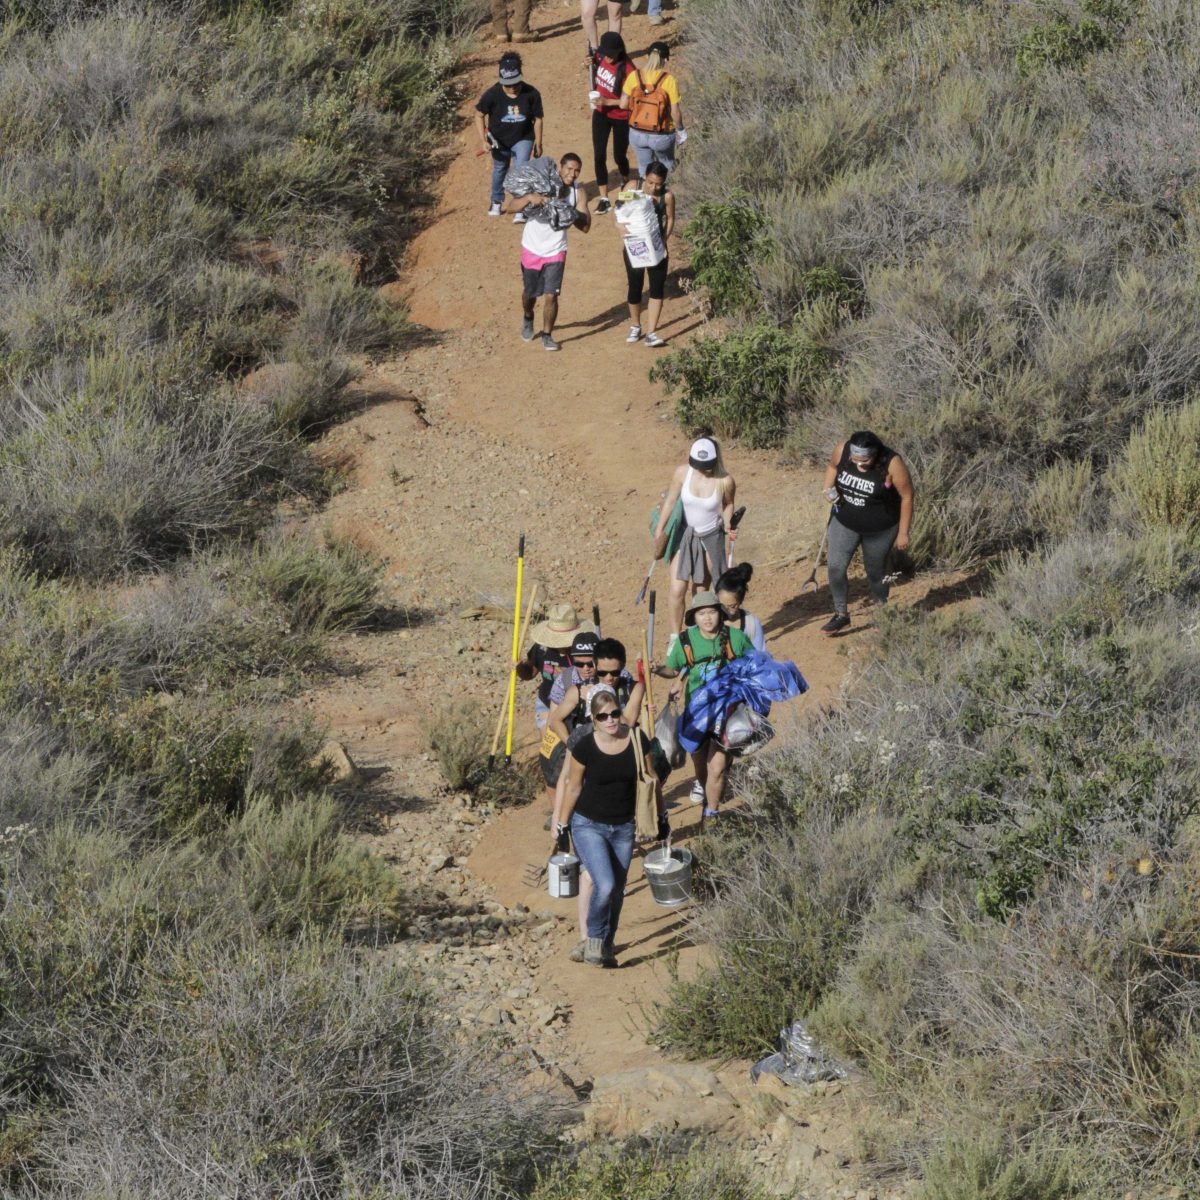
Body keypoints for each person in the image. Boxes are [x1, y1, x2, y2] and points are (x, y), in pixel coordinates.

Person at [548, 638, 649, 963]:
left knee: (615, 891)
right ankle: (590, 937)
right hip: (588, 822)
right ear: (593, 718)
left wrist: (654, 819)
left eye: (613, 672)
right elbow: (570, 783)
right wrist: (560, 822)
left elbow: (648, 781)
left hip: (623, 825)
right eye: (603, 716)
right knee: (601, 882)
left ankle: (604, 946)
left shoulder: (633, 734)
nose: (610, 719)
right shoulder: (583, 742)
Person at [665, 591, 752, 817]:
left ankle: (711, 814)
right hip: (697, 713)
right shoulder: (686, 641)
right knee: (702, 768)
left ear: (719, 614)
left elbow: (754, 664)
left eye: (711, 612)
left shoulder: (736, 638)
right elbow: (674, 668)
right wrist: (657, 669)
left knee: (717, 767)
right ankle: (708, 799)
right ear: (694, 617)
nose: (707, 618)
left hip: (728, 713)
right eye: (701, 613)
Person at [819, 430, 914, 636]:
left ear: (876, 454)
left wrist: (903, 533)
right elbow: (832, 466)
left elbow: (907, 496)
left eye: (865, 460)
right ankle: (841, 613)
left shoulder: (892, 463)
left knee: (877, 574)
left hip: (880, 529)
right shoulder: (842, 450)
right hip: (844, 521)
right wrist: (828, 488)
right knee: (835, 567)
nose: (860, 464)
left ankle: (881, 614)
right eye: (856, 459)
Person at [651, 436, 736, 656]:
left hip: (710, 537)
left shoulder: (725, 480)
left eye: (706, 466)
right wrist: (660, 530)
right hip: (685, 536)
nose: (702, 470)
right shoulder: (682, 473)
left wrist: (727, 523)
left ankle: (696, 637)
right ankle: (675, 637)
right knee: (677, 588)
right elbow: (670, 501)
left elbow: (728, 503)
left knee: (700, 592)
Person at [507, 153, 591, 351]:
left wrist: (568, 211)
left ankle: (547, 334)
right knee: (530, 293)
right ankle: (528, 316)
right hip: (532, 246)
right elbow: (510, 208)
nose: (572, 174)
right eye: (569, 169)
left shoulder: (578, 193)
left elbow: (586, 226)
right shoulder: (541, 183)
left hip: (556, 250)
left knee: (551, 296)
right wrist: (529, 198)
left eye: (577, 170)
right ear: (560, 168)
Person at [475, 54, 543, 218]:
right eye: (508, 84)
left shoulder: (531, 93)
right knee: (500, 169)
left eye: (515, 82)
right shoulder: (492, 94)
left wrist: (538, 143)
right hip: (499, 140)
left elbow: (538, 119)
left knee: (521, 169)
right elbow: (478, 115)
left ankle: (520, 206)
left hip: (523, 137)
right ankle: (497, 201)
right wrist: (483, 140)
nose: (512, 87)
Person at [616, 161, 673, 347]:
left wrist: (663, 240)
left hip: (656, 246)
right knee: (635, 285)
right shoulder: (632, 187)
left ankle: (651, 332)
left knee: (657, 288)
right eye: (650, 182)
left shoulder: (668, 196)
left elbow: (671, 218)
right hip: (635, 246)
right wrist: (620, 228)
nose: (653, 187)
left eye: (658, 184)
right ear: (644, 178)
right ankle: (635, 325)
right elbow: (618, 209)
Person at [518, 602, 593, 732]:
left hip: (577, 705)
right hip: (546, 703)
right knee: (551, 747)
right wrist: (519, 667)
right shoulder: (541, 649)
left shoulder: (584, 650)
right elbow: (529, 674)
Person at [620, 41, 686, 179]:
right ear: (666, 60)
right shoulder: (668, 80)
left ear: (647, 56)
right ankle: (665, 196)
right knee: (667, 167)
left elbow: (623, 105)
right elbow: (675, 112)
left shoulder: (634, 76)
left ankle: (647, 197)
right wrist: (681, 130)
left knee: (644, 170)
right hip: (661, 135)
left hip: (637, 133)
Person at [590, 32, 635, 215]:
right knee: (599, 155)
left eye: (611, 54)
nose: (607, 56)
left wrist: (609, 102)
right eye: (605, 52)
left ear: (619, 51)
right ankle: (604, 198)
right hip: (600, 114)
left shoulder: (629, 70)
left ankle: (626, 181)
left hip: (621, 117)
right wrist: (589, 63)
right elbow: (595, 62)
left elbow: (632, 100)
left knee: (619, 155)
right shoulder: (600, 57)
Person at [715, 563, 765, 651]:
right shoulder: (707, 620)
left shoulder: (751, 624)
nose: (726, 610)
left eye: (732, 606)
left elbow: (759, 656)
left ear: (740, 600)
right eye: (721, 605)